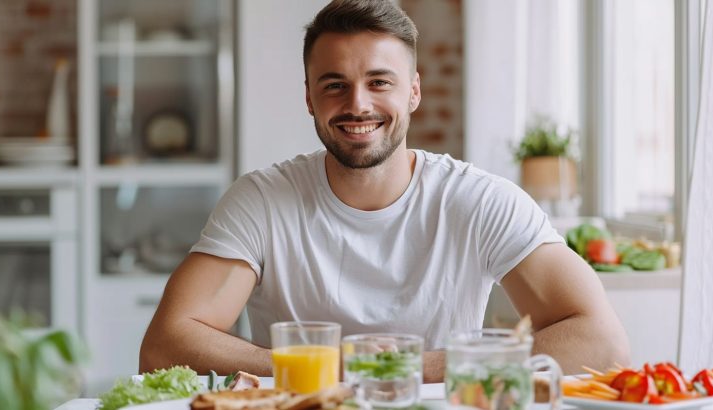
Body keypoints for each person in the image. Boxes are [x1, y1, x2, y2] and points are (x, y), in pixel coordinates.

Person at [140, 0, 629, 382]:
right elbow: (164, 345)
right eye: (335, 85)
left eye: (379, 82)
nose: (358, 104)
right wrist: (327, 371)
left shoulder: (480, 201)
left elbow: (602, 342)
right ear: (308, 96)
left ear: (413, 92)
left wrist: (402, 369)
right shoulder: (262, 200)